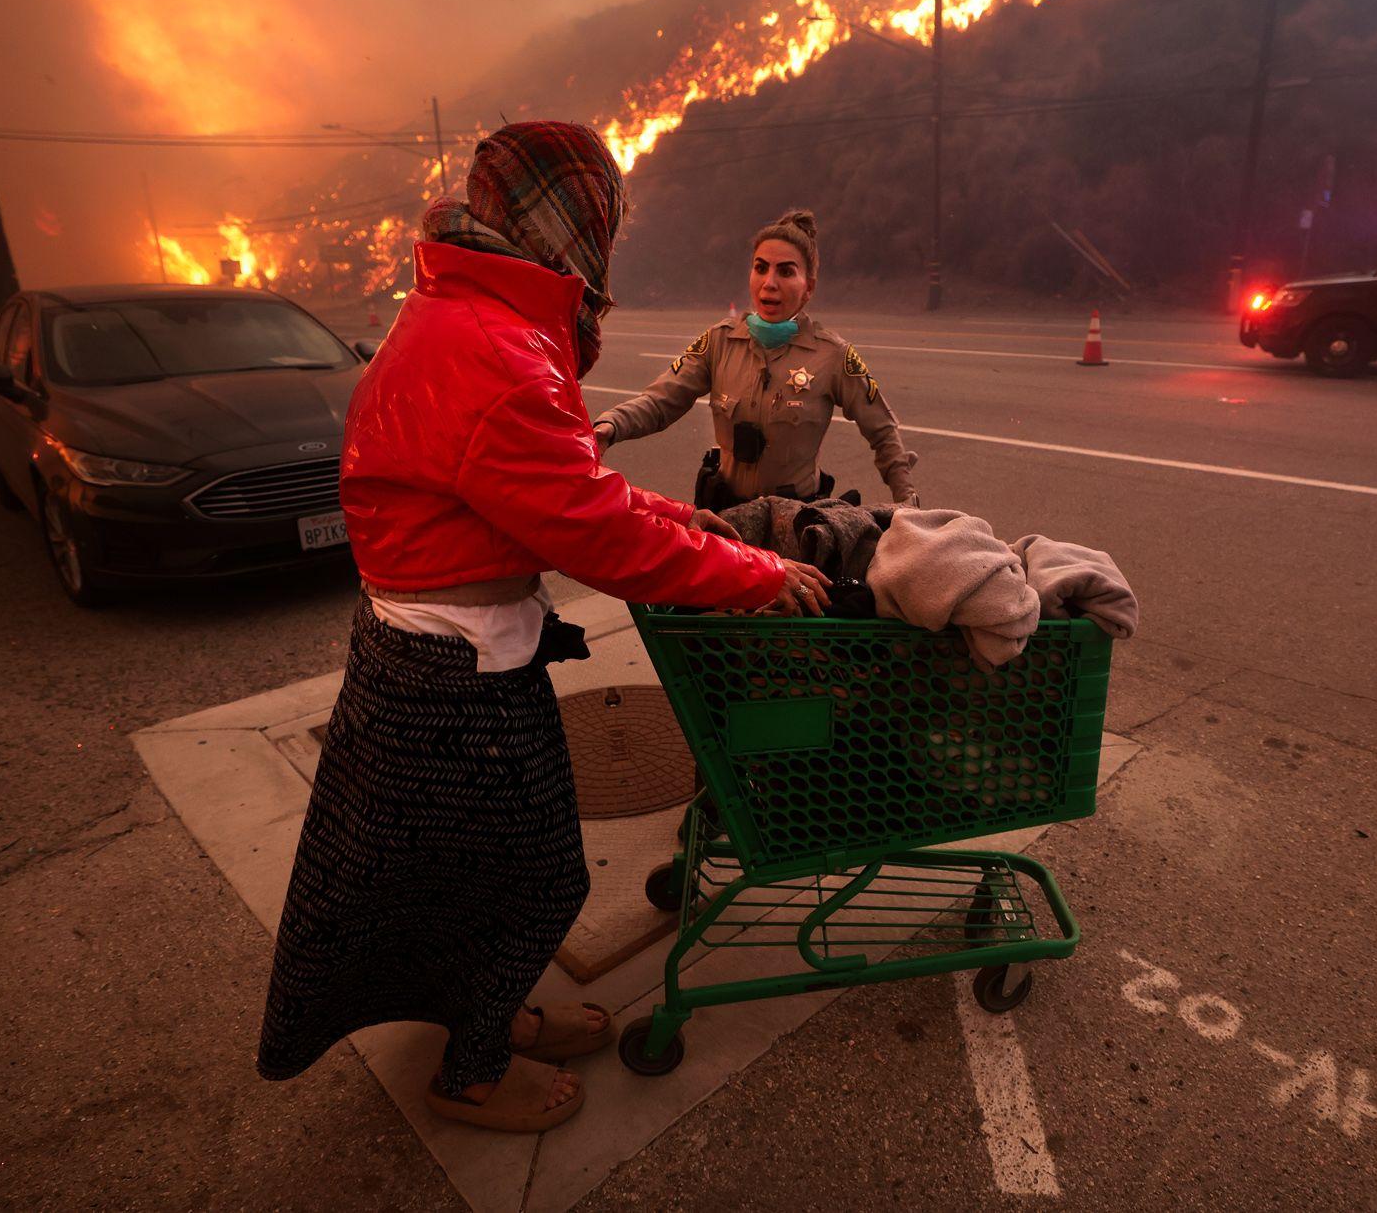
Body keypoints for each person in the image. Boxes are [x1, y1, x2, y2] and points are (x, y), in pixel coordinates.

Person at [256, 122, 831, 1134]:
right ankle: (471, 1072)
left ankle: (493, 1013)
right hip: (450, 674)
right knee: (536, 879)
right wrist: (748, 573)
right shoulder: (494, 346)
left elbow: (562, 492)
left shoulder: (464, 308)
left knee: (465, 873)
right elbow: (588, 531)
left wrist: (680, 519)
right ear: (575, 223)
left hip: (437, 651)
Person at [592, 209, 919, 510]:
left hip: (796, 520)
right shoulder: (719, 342)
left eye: (786, 271)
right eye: (761, 268)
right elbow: (660, 401)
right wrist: (610, 426)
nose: (770, 282)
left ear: (809, 288)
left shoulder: (833, 356)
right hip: (727, 519)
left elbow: (883, 432)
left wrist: (907, 502)